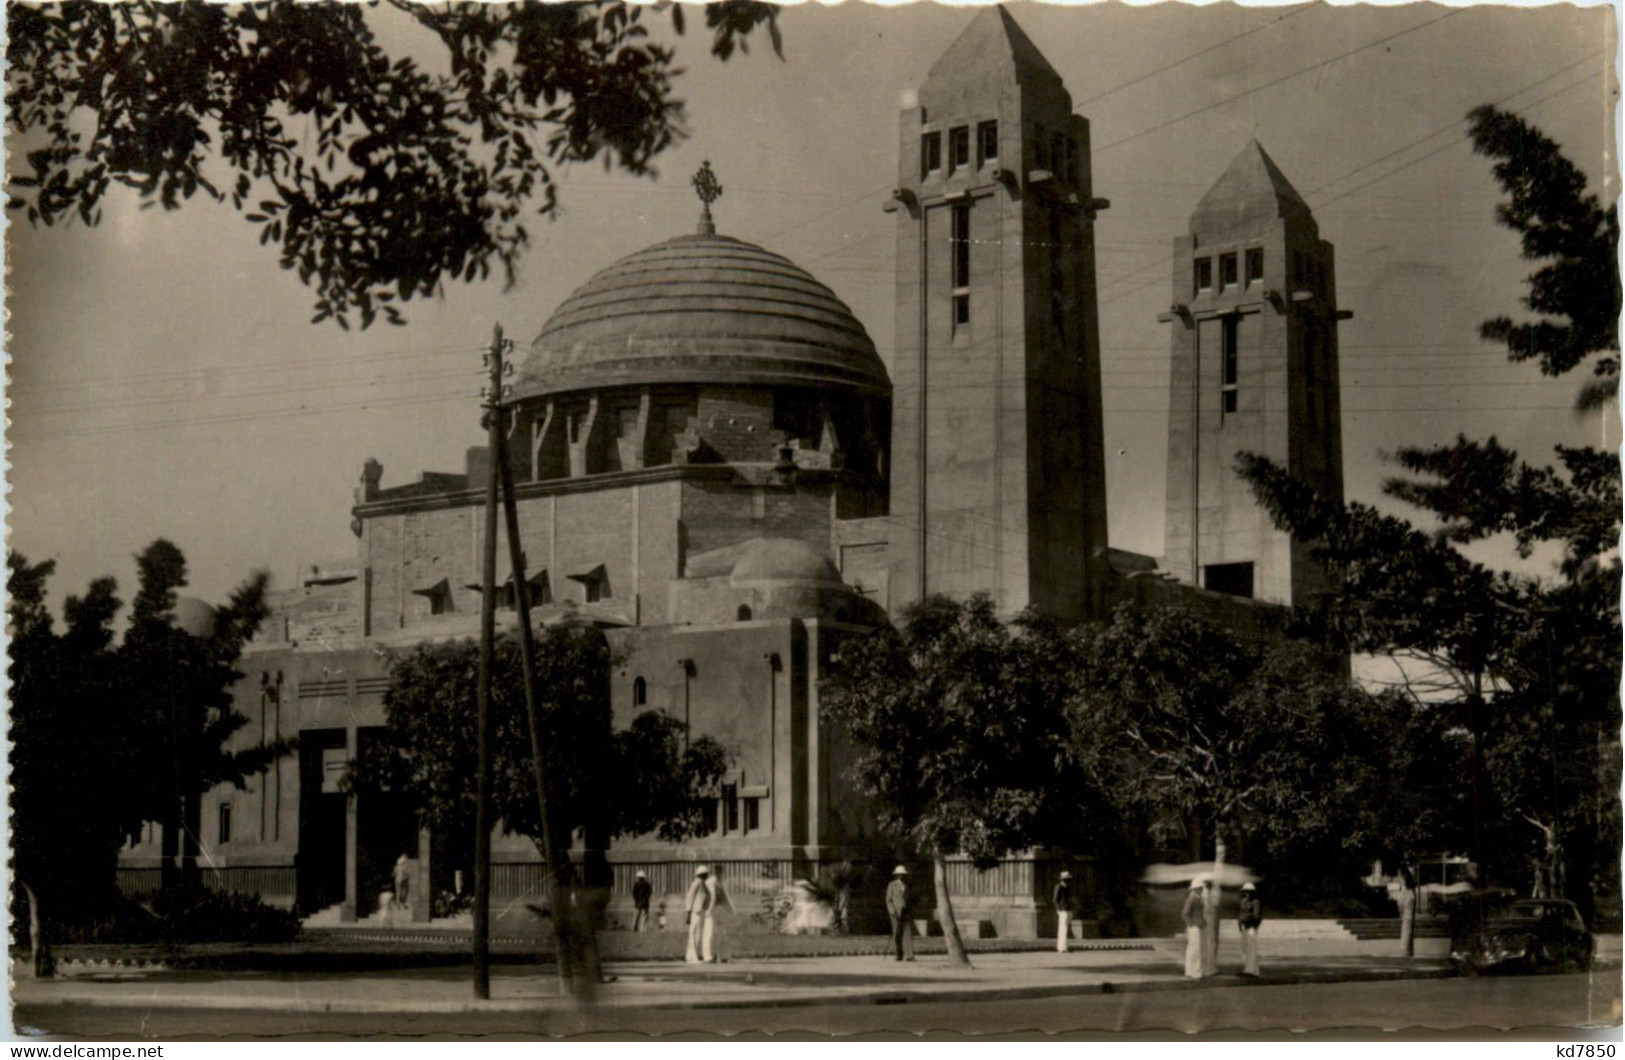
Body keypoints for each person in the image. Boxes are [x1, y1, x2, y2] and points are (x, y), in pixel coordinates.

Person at [684, 865, 716, 963]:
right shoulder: (696, 883)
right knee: (694, 934)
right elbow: (689, 897)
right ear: (702, 874)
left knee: (696, 934)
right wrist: (688, 913)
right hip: (694, 912)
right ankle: (692, 957)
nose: (707, 875)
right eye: (706, 873)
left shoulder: (702, 883)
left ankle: (691, 956)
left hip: (699, 911)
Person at [886, 865, 915, 962]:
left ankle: (909, 955)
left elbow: (910, 899)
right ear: (896, 875)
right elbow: (889, 899)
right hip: (896, 912)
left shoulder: (907, 885)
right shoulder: (891, 885)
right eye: (899, 874)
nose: (901, 876)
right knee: (897, 934)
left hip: (906, 911)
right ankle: (898, 955)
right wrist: (892, 911)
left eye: (903, 874)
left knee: (907, 933)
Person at [1181, 878, 1207, 979]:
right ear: (1196, 889)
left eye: (1202, 888)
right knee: (1196, 950)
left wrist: (1203, 921)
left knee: (1195, 950)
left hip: (1198, 926)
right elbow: (1184, 914)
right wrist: (1192, 924)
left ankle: (1192, 971)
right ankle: (1195, 972)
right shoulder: (1192, 899)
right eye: (1200, 888)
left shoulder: (1197, 898)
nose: (1202, 890)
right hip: (1195, 928)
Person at [1238, 882, 1263, 976]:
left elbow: (1257, 916)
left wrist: (1248, 918)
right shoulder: (1242, 901)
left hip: (1251, 926)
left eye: (1249, 892)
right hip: (1244, 926)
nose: (1247, 893)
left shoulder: (1255, 901)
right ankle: (1247, 969)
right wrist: (1239, 924)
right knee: (1245, 949)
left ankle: (1251, 970)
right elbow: (1240, 913)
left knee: (1251, 949)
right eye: (1245, 891)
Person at [1053, 871, 1074, 953]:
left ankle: (1065, 946)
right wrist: (1058, 909)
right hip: (1062, 909)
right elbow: (1055, 900)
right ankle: (1061, 947)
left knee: (1066, 928)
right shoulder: (1059, 887)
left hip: (1067, 909)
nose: (1067, 881)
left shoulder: (1067, 887)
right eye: (1066, 879)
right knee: (1063, 928)